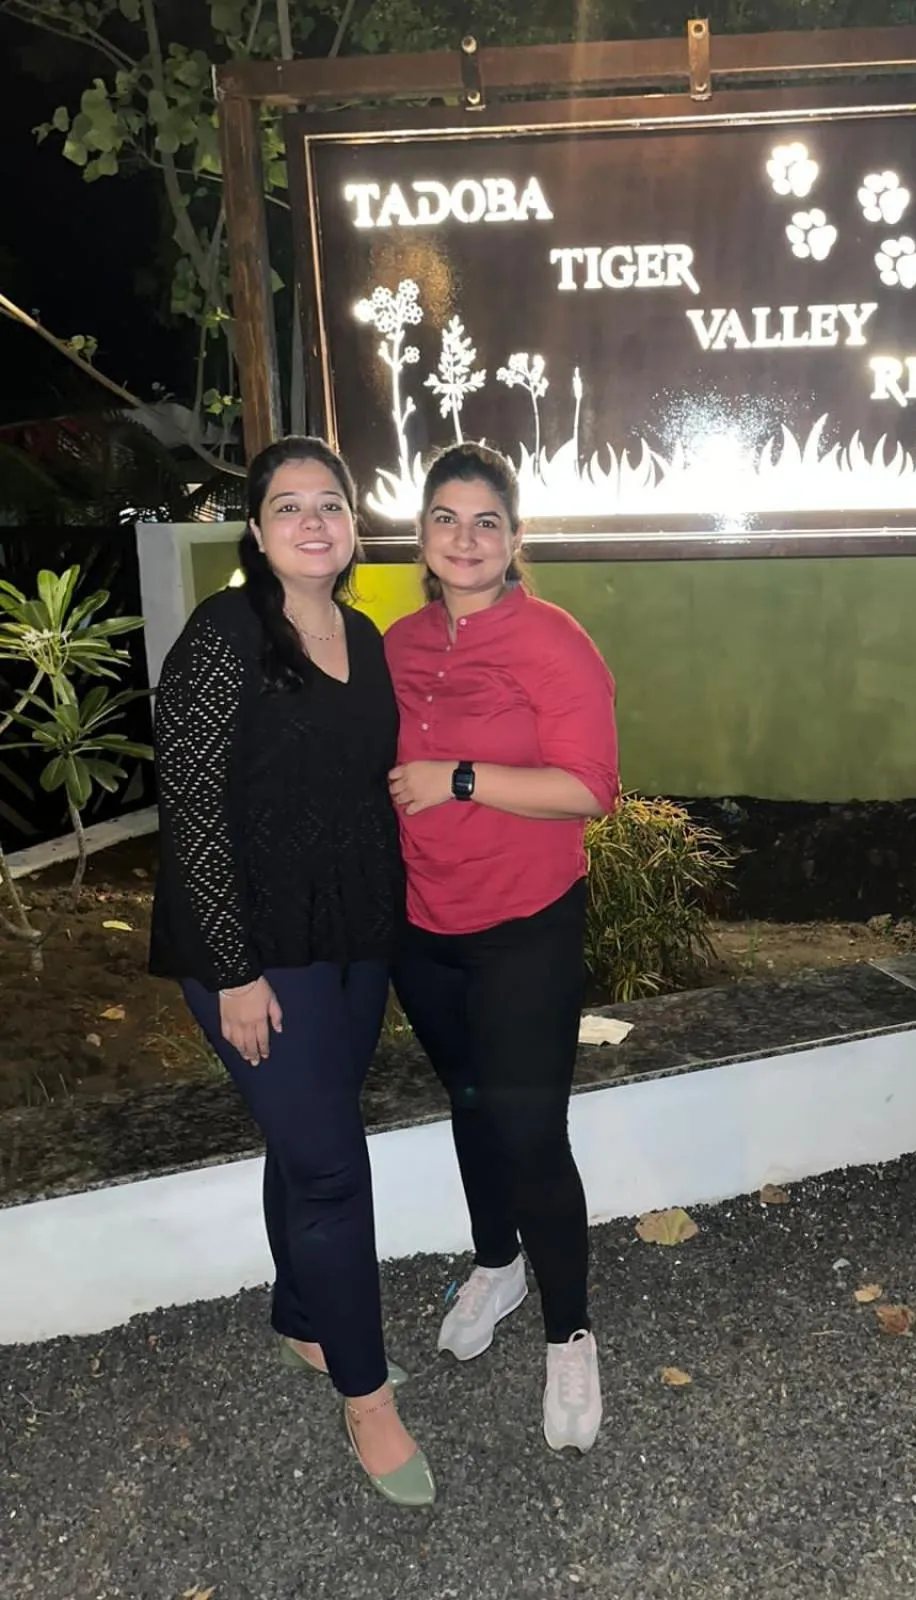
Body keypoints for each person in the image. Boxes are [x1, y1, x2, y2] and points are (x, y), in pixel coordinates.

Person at [148, 436, 435, 1509]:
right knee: (327, 1164)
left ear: (353, 524)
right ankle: (366, 1397)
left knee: (307, 1132)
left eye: (331, 503)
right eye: (288, 505)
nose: (314, 521)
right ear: (258, 531)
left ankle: (304, 1321)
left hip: (354, 936)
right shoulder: (224, 637)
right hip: (253, 949)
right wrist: (232, 969)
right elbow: (192, 809)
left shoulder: (362, 634)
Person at [385, 441, 619, 1454]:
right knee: (472, 1107)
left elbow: (589, 787)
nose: (466, 538)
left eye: (487, 521)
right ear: (423, 536)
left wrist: (461, 777)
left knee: (531, 1132)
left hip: (525, 926)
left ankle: (570, 1332)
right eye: (447, 518)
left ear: (515, 539)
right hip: (420, 928)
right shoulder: (393, 643)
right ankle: (497, 1260)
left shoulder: (554, 643)